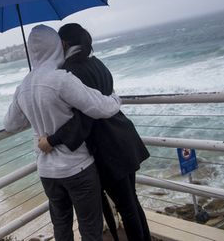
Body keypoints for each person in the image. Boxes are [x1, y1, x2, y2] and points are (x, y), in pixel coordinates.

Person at [4, 24, 122, 241]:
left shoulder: (24, 86)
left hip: (47, 171)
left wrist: (35, 113)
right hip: (77, 167)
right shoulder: (61, 79)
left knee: (61, 226)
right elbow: (98, 107)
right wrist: (115, 98)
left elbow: (11, 124)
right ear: (57, 47)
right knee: (90, 227)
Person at [38, 23, 151, 241]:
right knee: (131, 203)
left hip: (107, 146)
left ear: (63, 43)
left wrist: (53, 139)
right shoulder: (97, 63)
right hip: (123, 135)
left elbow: (83, 119)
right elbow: (105, 99)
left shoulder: (70, 71)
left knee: (126, 207)